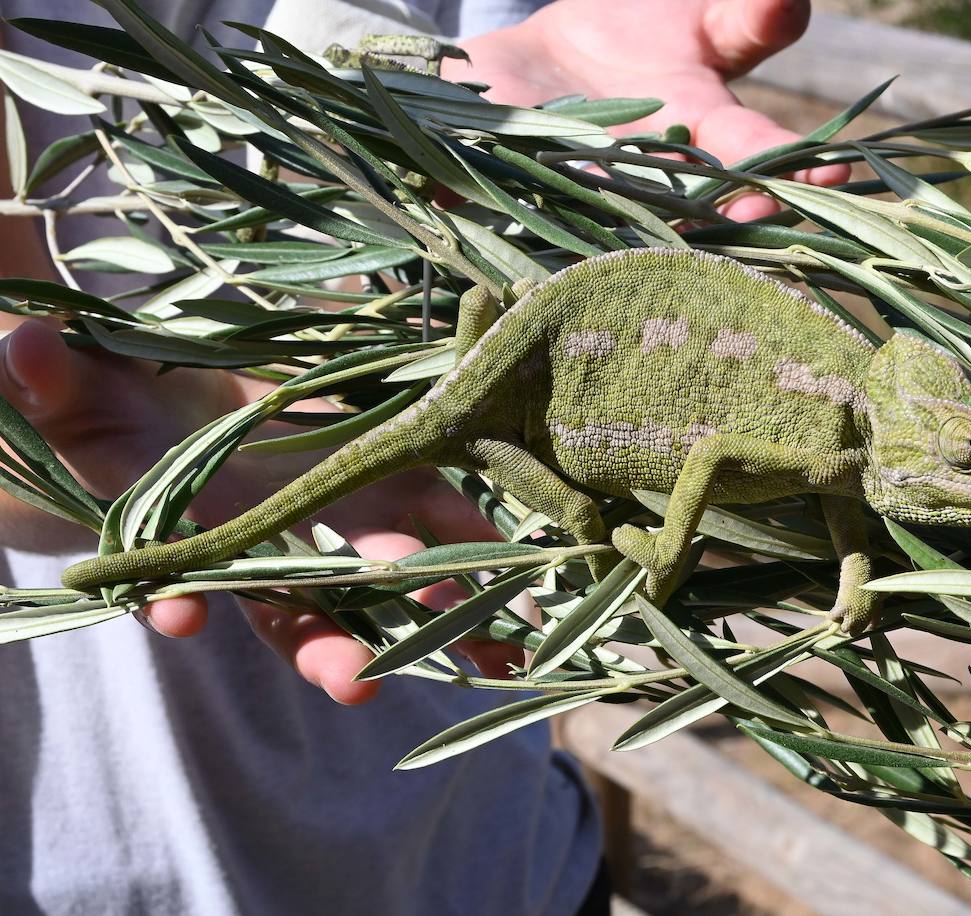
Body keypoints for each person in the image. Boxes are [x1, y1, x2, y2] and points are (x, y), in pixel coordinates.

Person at [0, 1, 846, 912]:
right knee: (572, 507)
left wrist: (458, 106)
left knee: (551, 482)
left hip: (499, 849)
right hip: (112, 858)